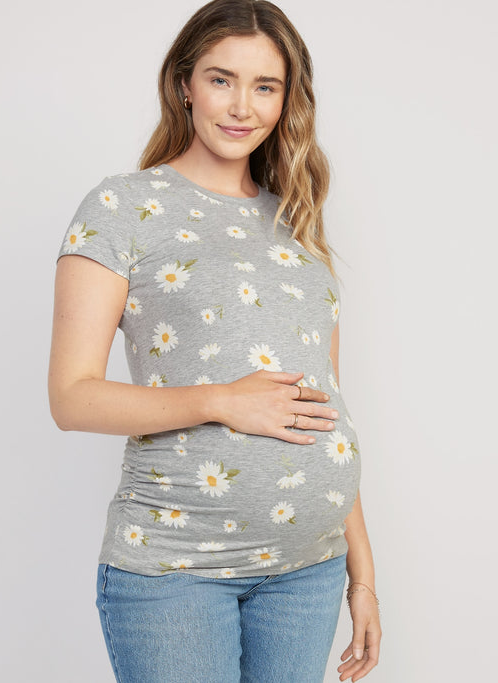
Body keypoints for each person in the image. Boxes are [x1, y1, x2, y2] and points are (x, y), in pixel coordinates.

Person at [48, 1, 382, 681]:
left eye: (265, 86)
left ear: (287, 101)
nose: (241, 106)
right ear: (184, 84)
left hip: (308, 571)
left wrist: (363, 576)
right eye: (221, 79)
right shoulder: (122, 207)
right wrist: (222, 400)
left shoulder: (296, 223)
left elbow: (324, 408)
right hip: (178, 569)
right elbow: (71, 398)